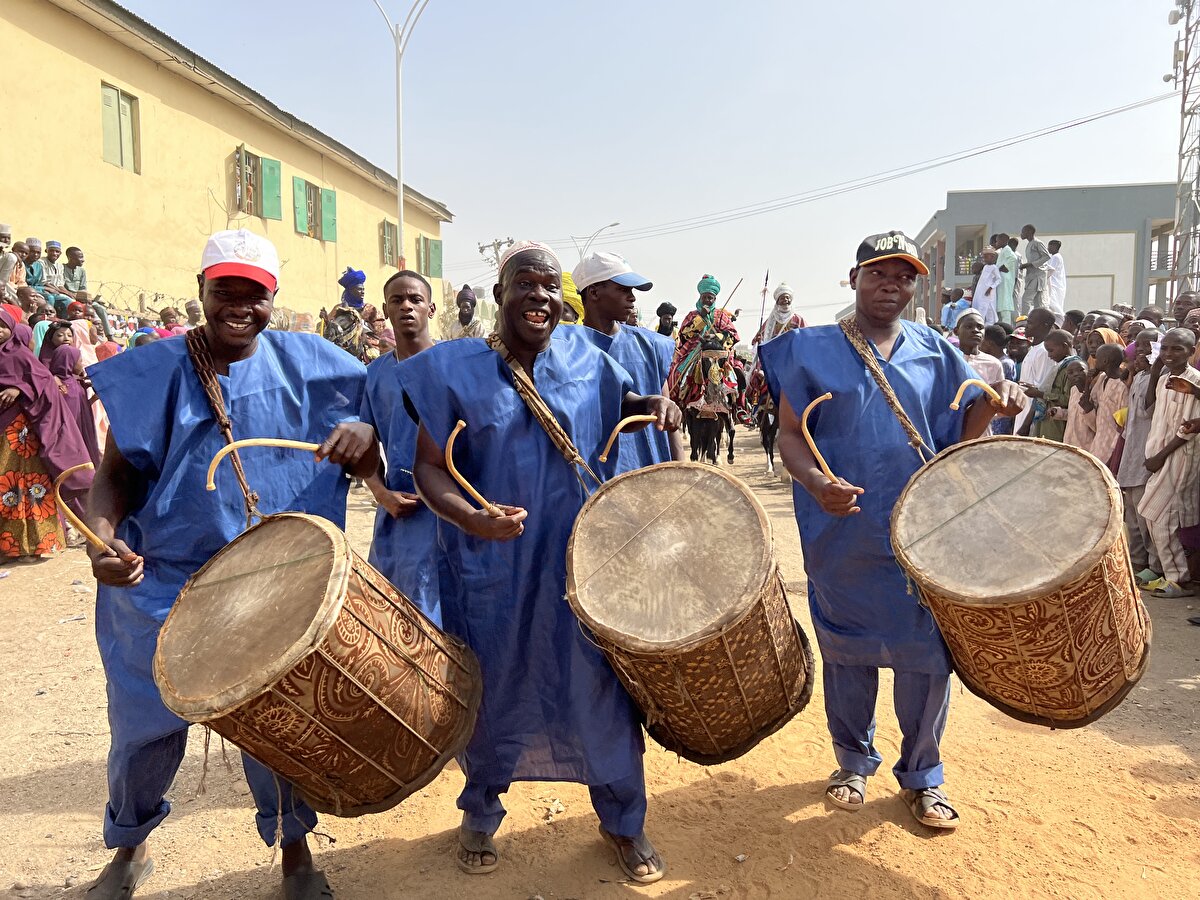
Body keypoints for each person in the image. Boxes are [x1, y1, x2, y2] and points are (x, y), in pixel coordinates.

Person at [82, 229, 376, 900]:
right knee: (142, 727)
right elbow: (116, 473)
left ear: (274, 298)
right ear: (201, 291)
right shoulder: (155, 371)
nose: (239, 307)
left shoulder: (319, 365)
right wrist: (102, 539)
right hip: (165, 579)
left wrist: (367, 435)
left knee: (278, 719)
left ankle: (295, 850)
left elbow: (379, 436)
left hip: (272, 578)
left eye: (254, 295)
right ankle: (129, 846)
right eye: (225, 291)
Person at [396, 241, 678, 883]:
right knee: (494, 689)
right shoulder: (452, 369)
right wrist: (470, 519)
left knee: (601, 688)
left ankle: (624, 820)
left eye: (551, 287)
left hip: (584, 562)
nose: (540, 297)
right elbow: (429, 469)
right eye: (525, 284)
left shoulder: (590, 357)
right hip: (492, 567)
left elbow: (623, 412)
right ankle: (480, 810)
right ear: (499, 294)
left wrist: (652, 407)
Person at [760, 230, 1025, 832]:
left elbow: (959, 434)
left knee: (927, 655)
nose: (891, 286)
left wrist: (996, 406)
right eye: (878, 273)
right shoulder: (809, 348)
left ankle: (923, 775)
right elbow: (791, 434)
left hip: (922, 531)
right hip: (842, 529)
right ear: (854, 278)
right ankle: (852, 763)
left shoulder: (936, 351)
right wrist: (816, 485)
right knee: (847, 649)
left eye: (904, 276)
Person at [359, 269, 443, 625]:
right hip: (400, 512)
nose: (406, 306)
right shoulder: (375, 375)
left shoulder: (454, 366)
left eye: (415, 299)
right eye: (397, 300)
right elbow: (365, 447)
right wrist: (381, 494)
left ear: (431, 309)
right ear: (385, 310)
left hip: (450, 513)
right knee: (393, 616)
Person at [568, 250, 679, 471]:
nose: (632, 297)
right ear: (594, 292)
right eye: (623, 289)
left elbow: (669, 417)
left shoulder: (652, 345)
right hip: (595, 475)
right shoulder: (568, 350)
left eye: (632, 291)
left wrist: (682, 471)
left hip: (652, 471)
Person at [0, 309, 95, 558]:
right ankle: (7, 546)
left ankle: (33, 544)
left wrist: (18, 389)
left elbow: (43, 383)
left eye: (2, 326)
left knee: (26, 486)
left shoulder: (21, 355)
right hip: (3, 434)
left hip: (20, 435)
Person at [1139, 328, 1200, 598]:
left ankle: (1179, 579)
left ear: (1191, 351)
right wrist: (1155, 373)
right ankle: (1171, 573)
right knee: (1161, 516)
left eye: (1177, 349)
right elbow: (1151, 412)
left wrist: (1160, 456)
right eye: (1164, 348)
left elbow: (1189, 430)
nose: (1169, 354)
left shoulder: (1195, 382)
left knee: (1157, 515)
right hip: (1159, 457)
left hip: (1179, 457)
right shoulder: (1165, 377)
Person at [1119, 329, 1164, 585]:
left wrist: (1155, 370)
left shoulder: (1162, 377)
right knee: (1133, 513)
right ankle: (1138, 560)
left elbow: (1148, 411)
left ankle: (1154, 565)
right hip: (1133, 452)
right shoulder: (1138, 377)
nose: (1143, 351)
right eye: (1140, 346)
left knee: (1147, 514)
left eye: (1150, 346)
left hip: (1149, 453)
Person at [666, 274, 740, 408]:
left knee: (738, 374)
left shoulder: (721, 315)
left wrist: (715, 336)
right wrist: (701, 318)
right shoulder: (692, 315)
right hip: (695, 350)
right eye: (704, 297)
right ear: (700, 297)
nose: (707, 300)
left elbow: (733, 335)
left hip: (719, 352)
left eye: (710, 298)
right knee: (676, 373)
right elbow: (684, 335)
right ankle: (676, 403)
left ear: (714, 299)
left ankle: (738, 407)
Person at [1032, 330, 1081, 442]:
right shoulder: (1058, 366)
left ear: (1064, 346)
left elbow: (1069, 400)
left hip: (1058, 427)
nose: (1049, 355)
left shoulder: (1073, 369)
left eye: (1051, 351)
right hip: (1047, 424)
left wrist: (1040, 394)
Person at [1015, 308, 1058, 434]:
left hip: (1031, 419)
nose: (1026, 326)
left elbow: (1040, 391)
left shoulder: (1044, 352)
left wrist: (1026, 424)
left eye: (1030, 323)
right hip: (1023, 410)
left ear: (1045, 325)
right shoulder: (1034, 349)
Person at [1088, 343, 1128, 468]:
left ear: (1105, 361)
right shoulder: (1102, 378)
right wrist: (1088, 381)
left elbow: (1123, 423)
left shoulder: (1122, 386)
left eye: (1097, 358)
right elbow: (1090, 402)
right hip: (1099, 440)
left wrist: (1115, 453)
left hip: (1113, 444)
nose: (1095, 361)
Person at [1061, 360, 1095, 449]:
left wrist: (1088, 409)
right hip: (1069, 444)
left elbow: (1097, 424)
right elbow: (1072, 414)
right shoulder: (1073, 390)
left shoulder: (1094, 392)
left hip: (1086, 447)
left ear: (1088, 372)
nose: (1076, 374)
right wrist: (1058, 412)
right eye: (1071, 373)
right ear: (1068, 378)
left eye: (1080, 370)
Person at [1020, 225, 1051, 316]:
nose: (1021, 234)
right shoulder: (1030, 243)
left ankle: (1023, 320)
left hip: (1037, 275)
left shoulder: (1038, 243)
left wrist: (1030, 264)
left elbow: (1046, 256)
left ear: (1029, 232)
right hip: (1032, 275)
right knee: (1038, 302)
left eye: (1023, 231)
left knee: (1026, 299)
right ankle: (1039, 319)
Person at [39, 240, 74, 314]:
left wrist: (68, 293)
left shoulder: (59, 266)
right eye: (51, 251)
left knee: (72, 301)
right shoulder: (41, 262)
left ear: (60, 253)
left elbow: (60, 284)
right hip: (45, 289)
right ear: (46, 251)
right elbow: (44, 282)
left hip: (56, 291)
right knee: (52, 298)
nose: (54, 253)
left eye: (57, 251)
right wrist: (62, 292)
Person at [972, 249, 1001, 325]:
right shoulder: (985, 267)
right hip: (981, 292)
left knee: (989, 308)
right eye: (984, 257)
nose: (984, 259)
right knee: (981, 307)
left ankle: (990, 324)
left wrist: (991, 288)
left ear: (992, 257)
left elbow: (999, 279)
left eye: (986, 257)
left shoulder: (994, 267)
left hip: (989, 292)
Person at [995, 233, 1019, 325]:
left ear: (1004, 240)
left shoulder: (1007, 249)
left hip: (1005, 280)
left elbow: (1013, 258)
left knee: (1005, 304)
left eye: (998, 241)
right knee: (1002, 304)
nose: (996, 243)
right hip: (1002, 280)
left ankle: (1007, 326)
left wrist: (1004, 266)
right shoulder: (1003, 250)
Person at [1044, 240, 1067, 320]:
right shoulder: (1054, 257)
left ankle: (1062, 319)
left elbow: (1050, 270)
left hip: (1054, 285)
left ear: (1055, 247)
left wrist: (1042, 279)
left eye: (1049, 246)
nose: (1048, 248)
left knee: (1053, 304)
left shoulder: (1056, 257)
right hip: (1054, 284)